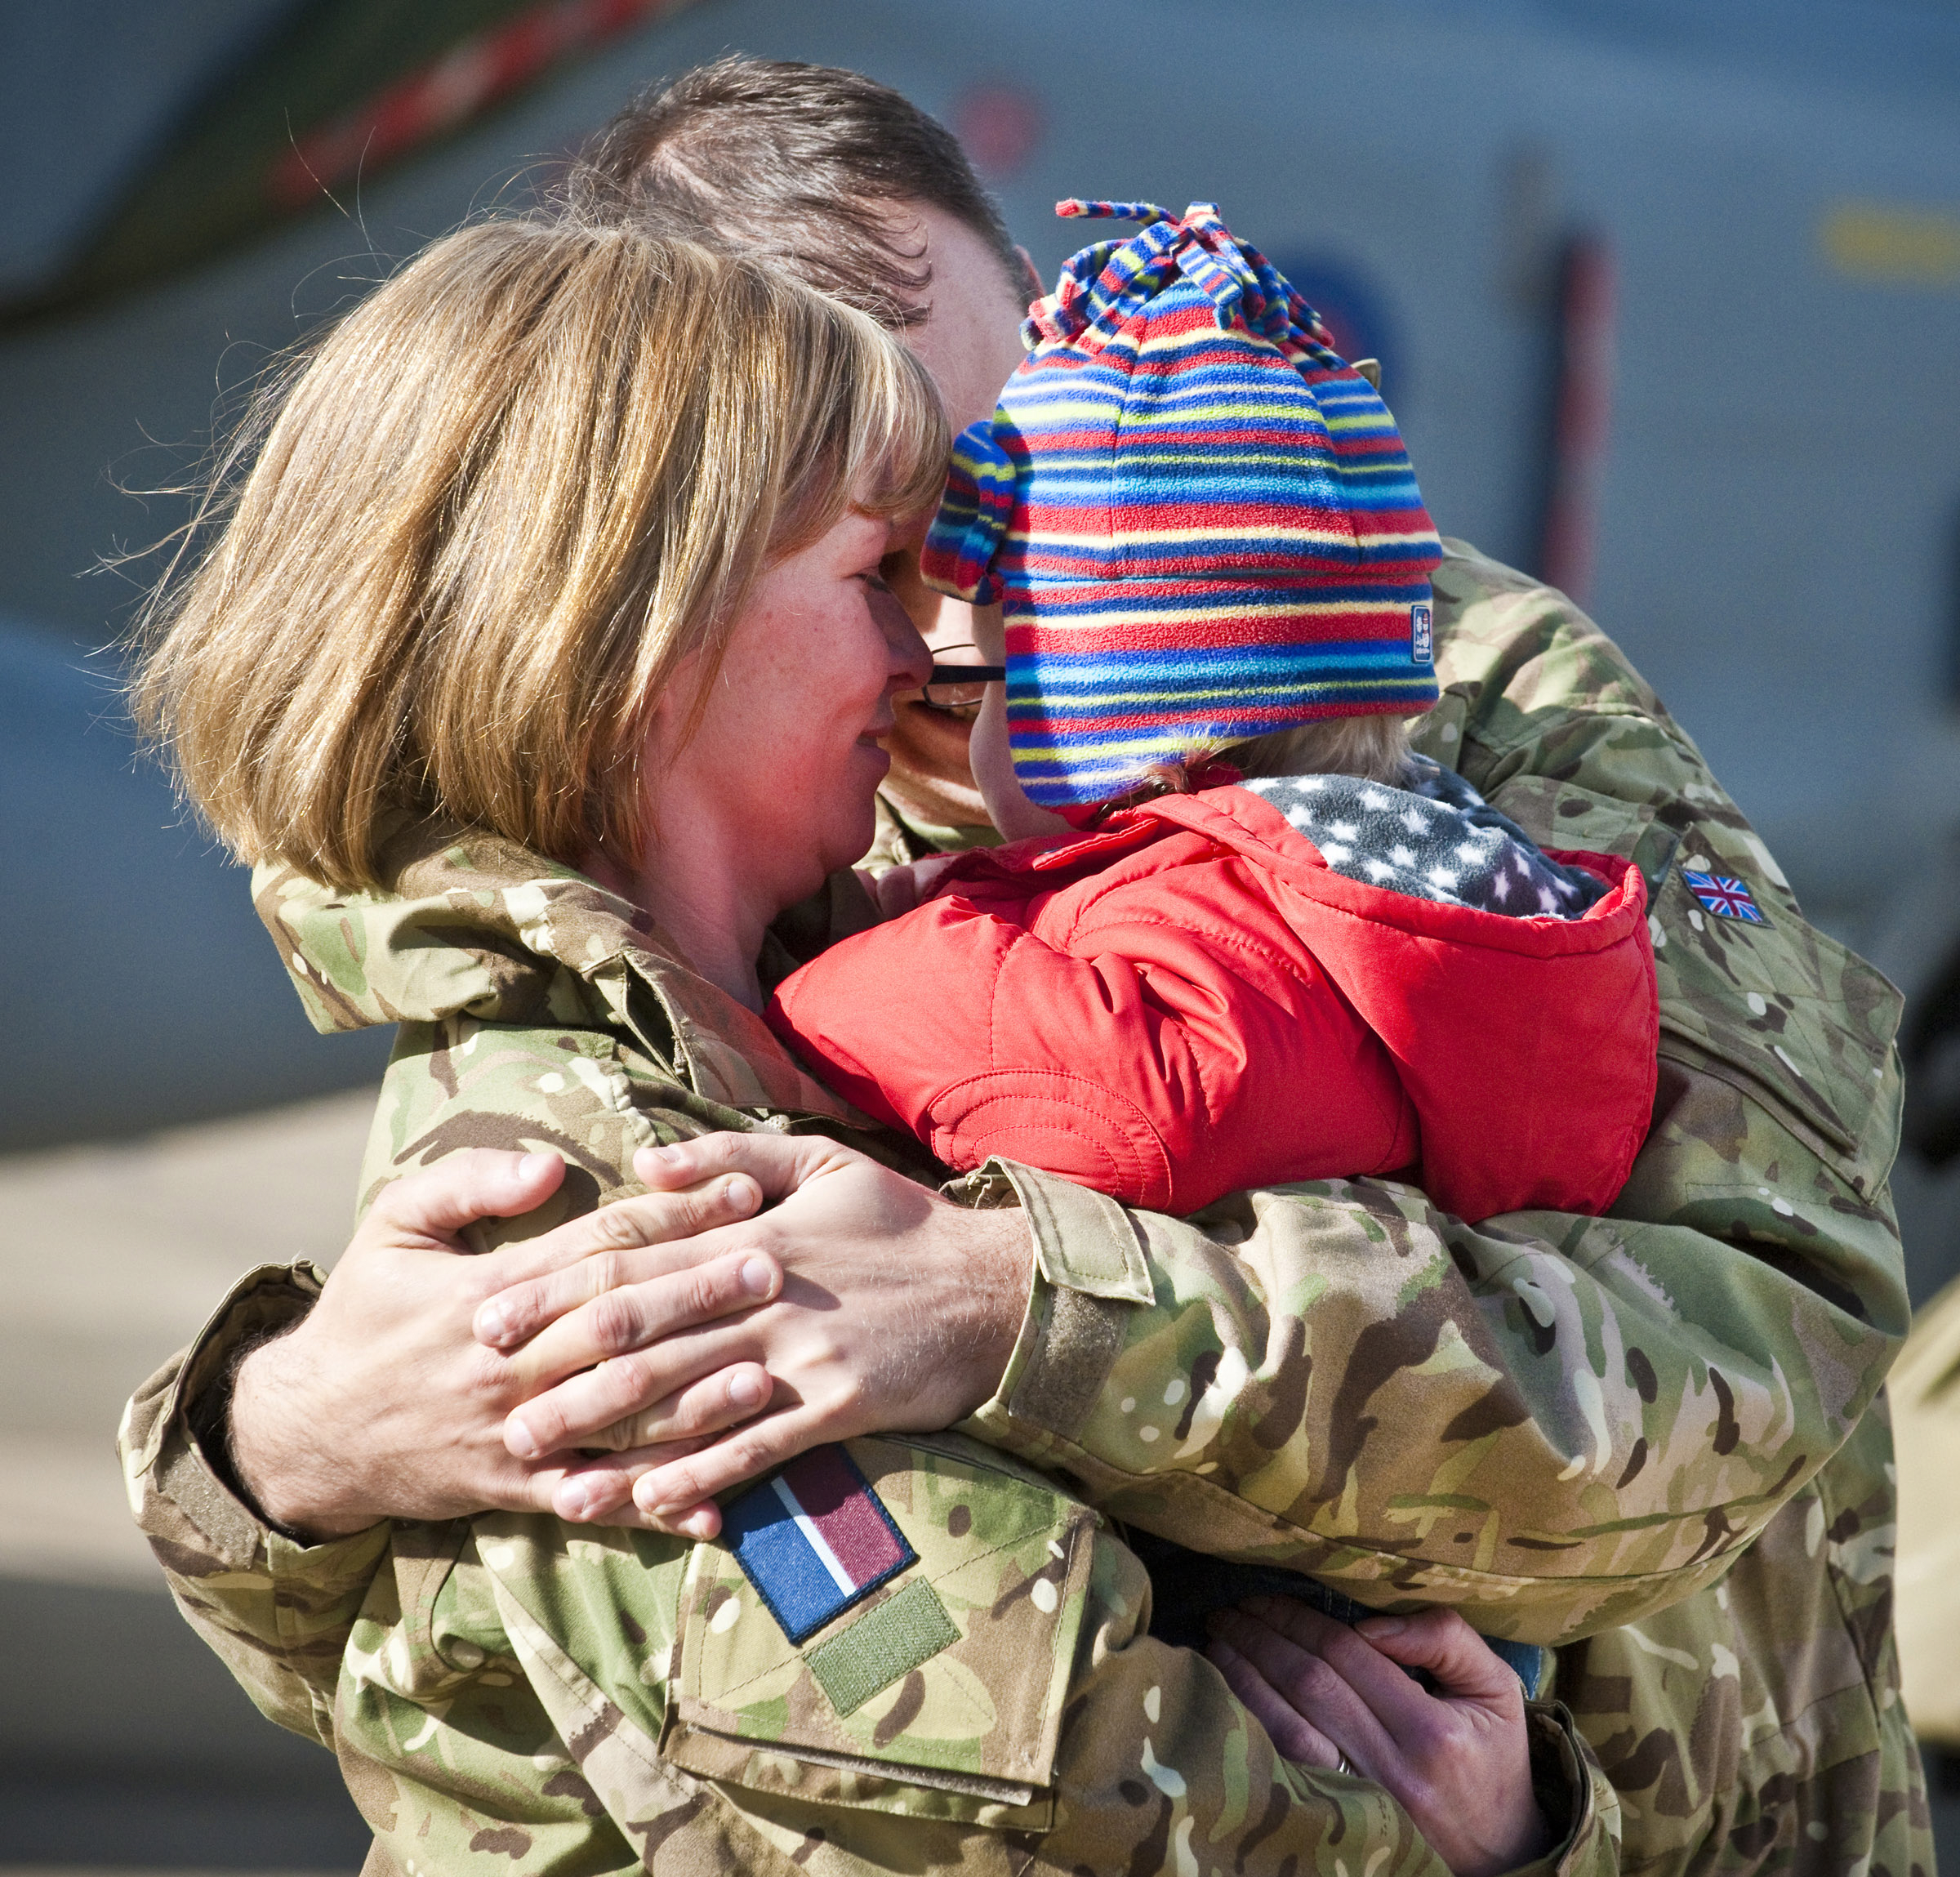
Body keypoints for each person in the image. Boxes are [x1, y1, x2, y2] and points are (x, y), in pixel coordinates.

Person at [118, 58, 1924, 1877]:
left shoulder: (1400, 670)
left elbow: (1766, 1354)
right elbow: (796, 1692)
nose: (996, 589)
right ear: (655, 574)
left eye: (1024, 444)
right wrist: (276, 1453)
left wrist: (1018, 1305)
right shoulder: (692, 952)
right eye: (900, 531)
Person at [771, 199, 1657, 1225]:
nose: (941, 676)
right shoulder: (1418, 858)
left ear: (1104, 737)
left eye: (1003, 677)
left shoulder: (1219, 934)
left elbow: (1114, 1096)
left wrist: (810, 975)